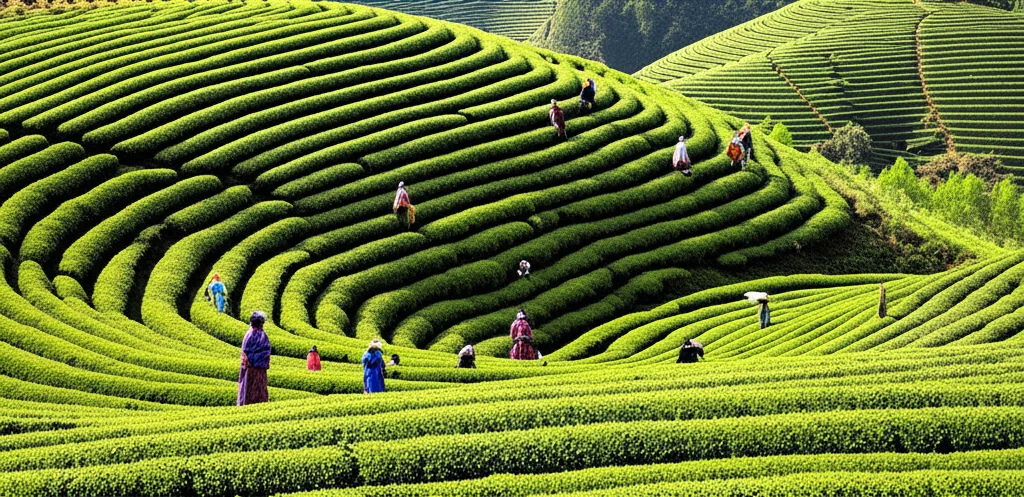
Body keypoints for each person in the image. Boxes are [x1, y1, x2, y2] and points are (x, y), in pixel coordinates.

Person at [238, 311, 271, 406]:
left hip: (249, 368)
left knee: (248, 392)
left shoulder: (248, 334)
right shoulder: (263, 336)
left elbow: (244, 353)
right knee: (258, 392)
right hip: (259, 370)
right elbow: (266, 353)